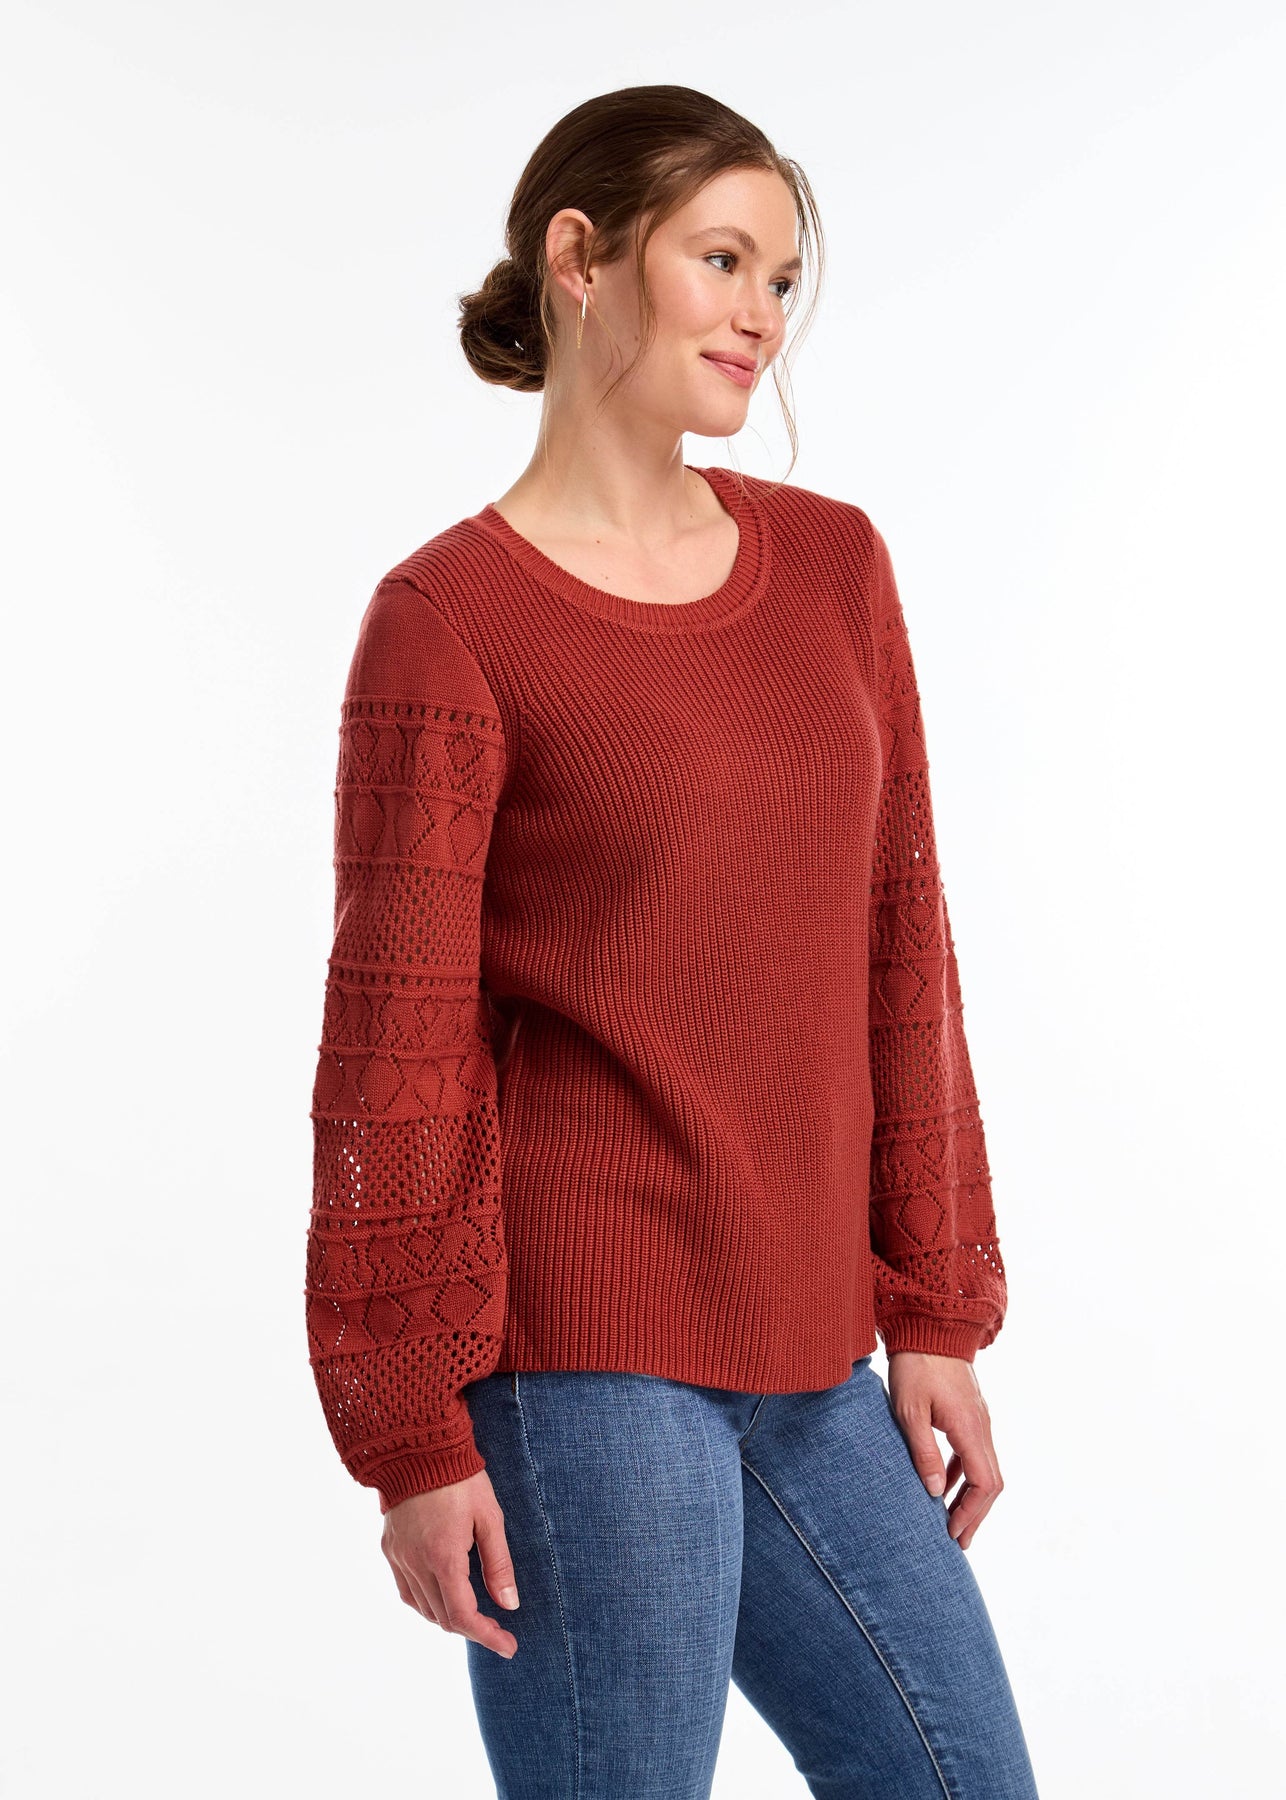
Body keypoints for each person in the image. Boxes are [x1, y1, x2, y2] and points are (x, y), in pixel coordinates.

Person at [304, 83, 1041, 1800]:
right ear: (580, 258)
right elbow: (394, 1051)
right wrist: (409, 1429)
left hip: (813, 1354)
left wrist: (933, 1306)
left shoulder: (834, 568)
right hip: (582, 1358)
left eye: (780, 279)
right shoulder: (451, 619)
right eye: (719, 260)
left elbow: (899, 945)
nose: (759, 315)